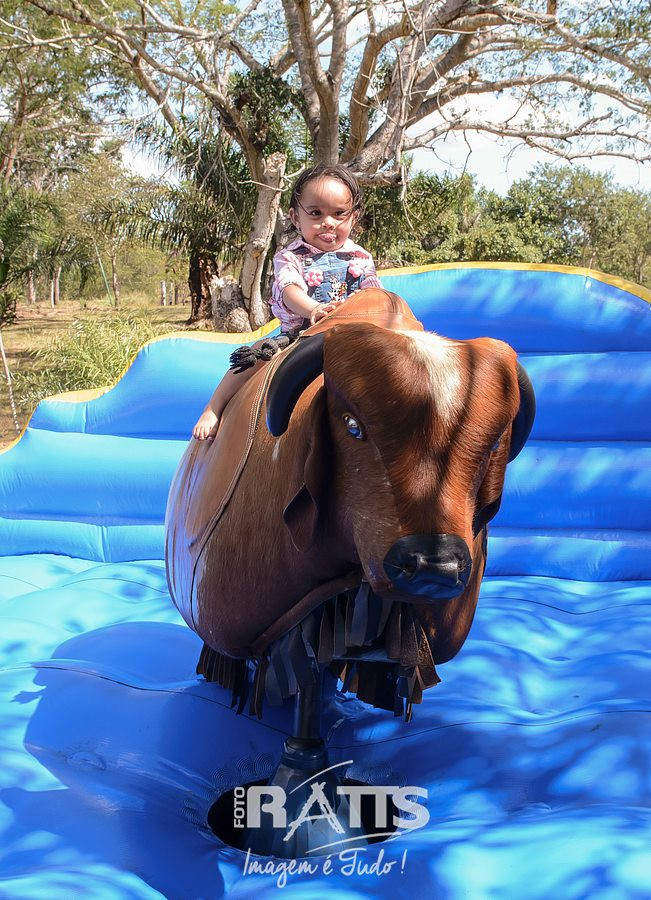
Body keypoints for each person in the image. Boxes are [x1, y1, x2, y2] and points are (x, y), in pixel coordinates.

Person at [192, 164, 381, 441]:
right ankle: (214, 407)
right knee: (255, 356)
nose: (328, 222)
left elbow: (373, 292)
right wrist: (313, 309)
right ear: (295, 217)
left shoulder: (361, 258)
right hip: (302, 336)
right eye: (316, 213)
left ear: (354, 216)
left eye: (339, 214)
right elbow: (289, 289)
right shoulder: (290, 257)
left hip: (353, 336)